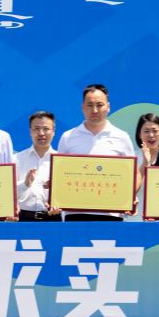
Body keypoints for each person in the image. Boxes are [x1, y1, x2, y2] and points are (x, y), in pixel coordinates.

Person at [56, 83, 137, 222]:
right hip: (76, 212)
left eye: (99, 105)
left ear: (108, 107)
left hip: (111, 213)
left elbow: (132, 173)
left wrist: (130, 197)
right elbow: (59, 174)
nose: (94, 110)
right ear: (83, 107)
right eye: (89, 105)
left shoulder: (121, 137)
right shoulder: (68, 137)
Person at [16, 111, 60, 222]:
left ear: (53, 131)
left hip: (53, 218)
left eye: (46, 129)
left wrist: (59, 203)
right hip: (23, 219)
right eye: (36, 129)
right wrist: (25, 184)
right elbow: (8, 194)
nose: (41, 133)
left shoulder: (61, 161)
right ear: (30, 131)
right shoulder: (17, 159)